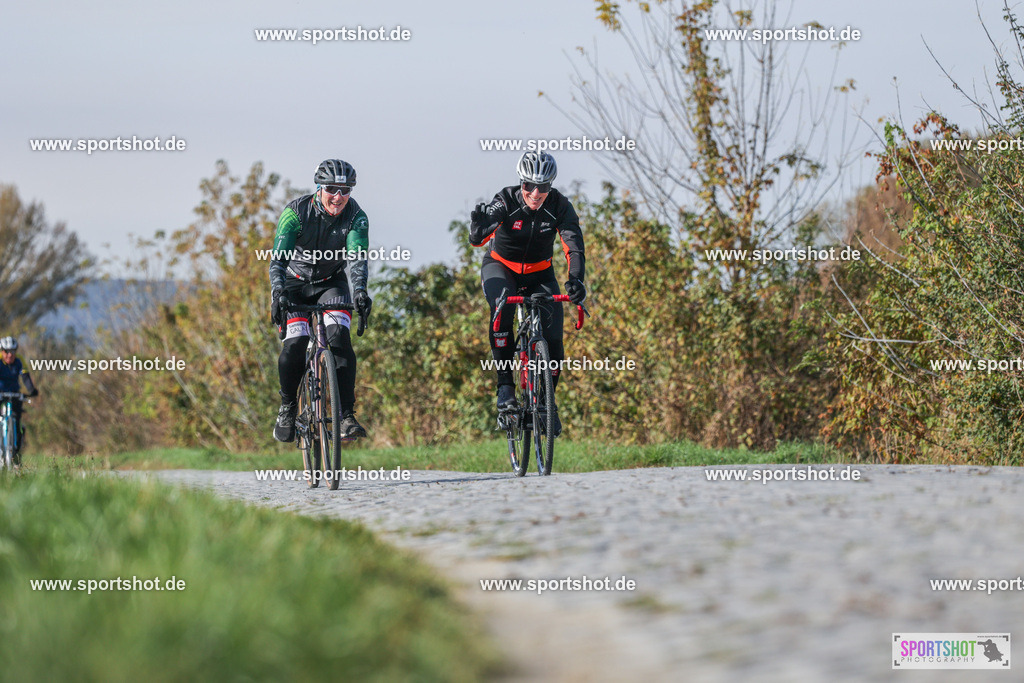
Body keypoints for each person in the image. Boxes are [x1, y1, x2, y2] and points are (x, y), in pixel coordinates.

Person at [469, 151, 587, 437]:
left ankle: (547, 404)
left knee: (554, 338)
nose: (535, 193)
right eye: (529, 186)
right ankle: (505, 387)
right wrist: (478, 232)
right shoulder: (506, 199)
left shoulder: (559, 205)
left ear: (551, 186)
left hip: (540, 272)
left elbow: (573, 243)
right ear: (520, 183)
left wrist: (575, 280)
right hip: (501, 267)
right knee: (502, 307)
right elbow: (482, 235)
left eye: (543, 187)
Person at [268, 159, 372, 442]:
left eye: (345, 190)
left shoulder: (356, 217)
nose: (338, 197)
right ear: (319, 187)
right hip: (294, 284)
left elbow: (357, 259)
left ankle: (346, 415)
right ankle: (288, 406)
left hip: (331, 283)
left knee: (339, 339)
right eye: (331, 189)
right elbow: (277, 261)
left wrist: (360, 291)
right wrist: (278, 293)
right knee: (296, 343)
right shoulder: (296, 213)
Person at [0, 336, 39, 457]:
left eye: (12, 352)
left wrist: (31, 390)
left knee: (17, 420)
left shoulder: (19, 361)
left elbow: (25, 377)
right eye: (6, 351)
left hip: (15, 393)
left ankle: (16, 451)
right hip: (0, 393)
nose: (10, 355)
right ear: (2, 351)